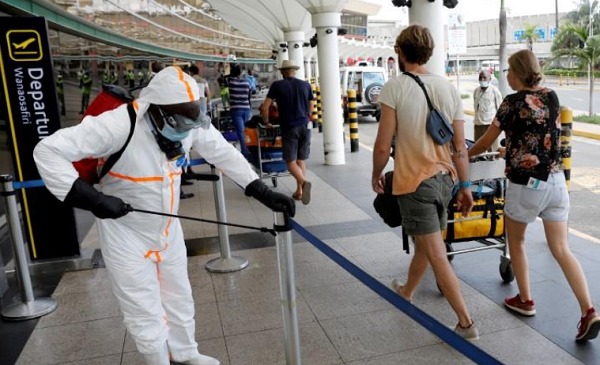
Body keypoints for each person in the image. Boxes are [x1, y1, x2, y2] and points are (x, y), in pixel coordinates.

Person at [33, 66, 295, 365]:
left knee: (179, 296)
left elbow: (222, 152)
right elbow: (47, 150)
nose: (187, 128)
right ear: (156, 112)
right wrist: (93, 200)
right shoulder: (118, 125)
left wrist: (259, 189)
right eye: (181, 119)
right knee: (142, 306)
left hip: (169, 228)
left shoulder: (189, 123)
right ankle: (157, 360)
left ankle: (186, 354)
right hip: (125, 232)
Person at [468, 49, 599, 343]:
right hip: (554, 183)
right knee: (562, 249)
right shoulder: (551, 96)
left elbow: (486, 141)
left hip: (526, 185)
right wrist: (508, 151)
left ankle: (525, 300)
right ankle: (589, 310)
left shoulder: (511, 103)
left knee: (517, 241)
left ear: (517, 72)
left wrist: (461, 156)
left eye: (508, 72)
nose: (507, 77)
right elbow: (536, 140)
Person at [372, 25, 477, 340]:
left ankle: (466, 323)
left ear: (400, 53)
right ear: (428, 52)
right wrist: (465, 186)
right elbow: (460, 147)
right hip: (445, 180)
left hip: (416, 184)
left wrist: (376, 173)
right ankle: (406, 291)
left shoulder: (395, 87)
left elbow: (381, 144)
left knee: (435, 251)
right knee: (427, 243)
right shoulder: (448, 88)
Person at [260, 60, 314, 205]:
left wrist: (266, 122)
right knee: (300, 160)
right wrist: (306, 116)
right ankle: (299, 191)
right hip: (305, 125)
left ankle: (303, 183)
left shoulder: (277, 85)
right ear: (294, 71)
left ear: (283, 72)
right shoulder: (305, 85)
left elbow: (265, 107)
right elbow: (312, 106)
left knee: (290, 162)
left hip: (290, 127)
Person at [473, 69, 502, 150]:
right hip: (478, 122)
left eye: (484, 78)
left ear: (490, 79)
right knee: (478, 143)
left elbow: (500, 109)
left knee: (491, 146)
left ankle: (492, 157)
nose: (482, 80)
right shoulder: (476, 91)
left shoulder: (494, 91)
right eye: (480, 77)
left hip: (490, 123)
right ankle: (480, 157)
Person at [228, 64, 252, 157]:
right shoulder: (247, 82)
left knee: (241, 131)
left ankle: (245, 151)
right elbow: (249, 95)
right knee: (247, 130)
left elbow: (220, 79)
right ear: (241, 72)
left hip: (236, 109)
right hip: (246, 108)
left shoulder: (230, 81)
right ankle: (249, 149)